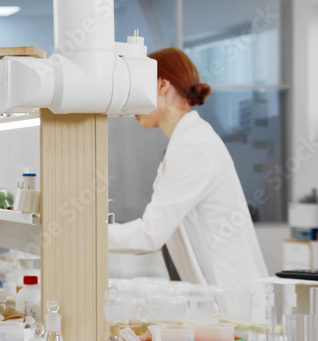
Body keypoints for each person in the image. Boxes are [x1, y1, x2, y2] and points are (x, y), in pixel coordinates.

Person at [108, 47, 268, 296]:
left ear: (162, 85)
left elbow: (150, 234)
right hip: (215, 294)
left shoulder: (194, 145)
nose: (131, 104)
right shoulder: (185, 141)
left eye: (137, 88)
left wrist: (87, 234)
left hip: (232, 296)